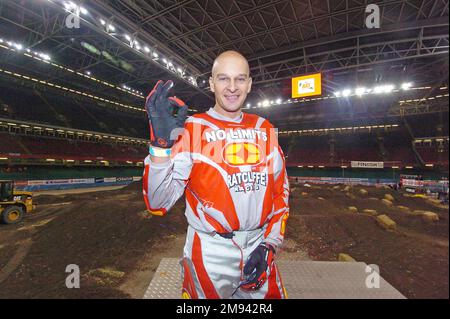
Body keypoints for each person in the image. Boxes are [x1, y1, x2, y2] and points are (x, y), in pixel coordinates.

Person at [142, 50, 289, 299]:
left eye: (240, 79)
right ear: (211, 83)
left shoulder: (265, 128)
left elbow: (280, 194)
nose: (232, 87)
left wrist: (270, 244)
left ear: (250, 84)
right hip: (209, 252)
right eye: (223, 79)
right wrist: (160, 146)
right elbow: (157, 203)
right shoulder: (191, 129)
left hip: (259, 246)